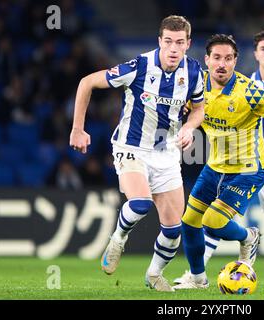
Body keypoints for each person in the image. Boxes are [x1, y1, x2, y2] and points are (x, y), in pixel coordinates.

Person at [69, 15, 205, 292]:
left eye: (180, 42)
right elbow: (87, 82)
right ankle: (118, 238)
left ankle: (154, 275)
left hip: (166, 153)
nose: (173, 48)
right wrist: (77, 129)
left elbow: (199, 109)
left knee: (173, 230)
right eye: (168, 41)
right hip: (131, 147)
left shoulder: (194, 73)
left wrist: (190, 127)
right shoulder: (139, 66)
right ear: (159, 41)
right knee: (140, 203)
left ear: (188, 44)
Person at [176, 30, 264, 287]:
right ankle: (197, 279)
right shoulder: (196, 86)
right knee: (189, 222)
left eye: (228, 58)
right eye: (216, 57)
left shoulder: (252, 91)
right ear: (206, 60)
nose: (222, 63)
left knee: (216, 221)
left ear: (235, 61)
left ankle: (252, 239)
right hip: (216, 166)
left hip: (250, 168)